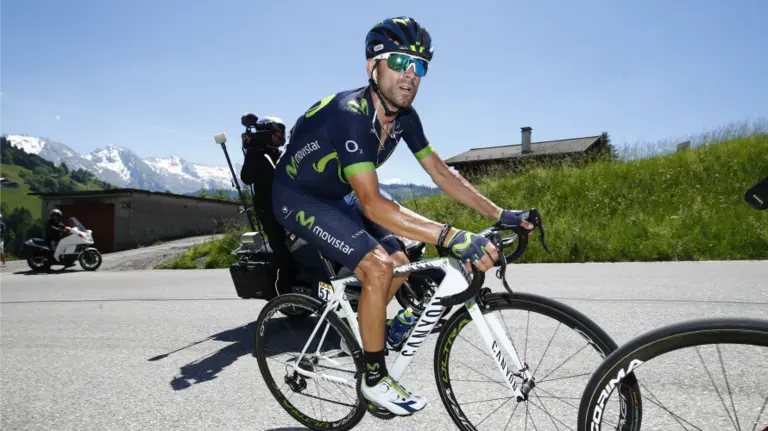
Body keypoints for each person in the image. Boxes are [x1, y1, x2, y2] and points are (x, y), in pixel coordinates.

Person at [271, 16, 535, 416]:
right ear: (371, 66)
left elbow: (442, 174)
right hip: (299, 198)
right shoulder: (351, 113)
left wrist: (502, 213)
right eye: (399, 62)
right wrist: (452, 236)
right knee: (379, 267)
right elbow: (374, 204)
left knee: (401, 262)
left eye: (420, 66)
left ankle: (367, 325)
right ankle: (374, 378)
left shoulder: (405, 120)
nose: (410, 75)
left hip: (340, 194)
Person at [240, 116, 297, 296]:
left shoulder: (279, 155)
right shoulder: (257, 155)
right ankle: (284, 295)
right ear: (266, 135)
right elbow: (246, 178)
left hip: (288, 210)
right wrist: (250, 151)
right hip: (270, 213)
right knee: (284, 254)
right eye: (275, 134)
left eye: (280, 134)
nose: (279, 138)